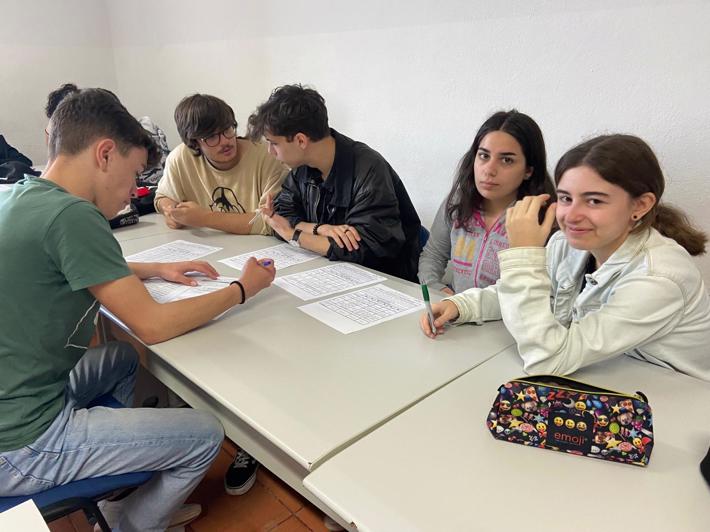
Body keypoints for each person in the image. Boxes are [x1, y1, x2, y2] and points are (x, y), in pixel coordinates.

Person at [0, 88, 276, 531]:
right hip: (22, 441)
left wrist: (155, 269)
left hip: (20, 400)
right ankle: (129, 524)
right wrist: (243, 289)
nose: (134, 191)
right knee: (206, 434)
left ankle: (124, 494)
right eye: (133, 174)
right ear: (105, 153)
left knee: (122, 359)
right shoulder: (74, 215)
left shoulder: (22, 195)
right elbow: (152, 325)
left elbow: (67, 263)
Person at [421, 134, 710, 380]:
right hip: (605, 377)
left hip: (671, 399)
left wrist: (523, 255)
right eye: (566, 198)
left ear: (641, 205)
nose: (571, 215)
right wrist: (462, 305)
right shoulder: (567, 243)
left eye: (594, 200)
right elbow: (519, 294)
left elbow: (548, 360)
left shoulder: (659, 276)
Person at [248, 84, 422, 282]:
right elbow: (282, 217)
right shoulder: (302, 167)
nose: (270, 152)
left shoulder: (368, 169)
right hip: (330, 273)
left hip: (384, 281)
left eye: (274, 143)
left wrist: (293, 235)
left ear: (301, 140)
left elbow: (362, 248)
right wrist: (319, 229)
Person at [418, 110, 554, 294]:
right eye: (484, 156)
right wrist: (437, 289)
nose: (489, 170)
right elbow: (433, 255)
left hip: (509, 313)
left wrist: (464, 306)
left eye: (506, 160)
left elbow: (534, 293)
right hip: (453, 309)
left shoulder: (539, 220)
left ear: (528, 170)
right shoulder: (458, 202)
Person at [155, 94, 287, 234]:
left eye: (227, 129)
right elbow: (162, 197)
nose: (225, 141)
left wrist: (204, 218)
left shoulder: (269, 155)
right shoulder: (180, 158)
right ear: (194, 143)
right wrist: (171, 211)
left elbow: (274, 222)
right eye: (212, 137)